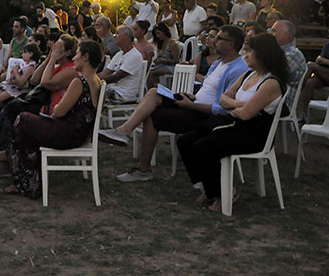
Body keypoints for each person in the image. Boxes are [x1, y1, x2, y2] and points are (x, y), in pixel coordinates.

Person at [99, 25, 248, 182]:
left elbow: (224, 110)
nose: (213, 41)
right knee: (154, 93)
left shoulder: (237, 70)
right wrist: (192, 96)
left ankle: (142, 166)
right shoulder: (219, 63)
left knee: (152, 115)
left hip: (206, 117)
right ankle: (124, 132)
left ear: (230, 44)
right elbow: (208, 91)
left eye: (219, 38)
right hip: (193, 103)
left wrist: (190, 105)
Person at [177, 33, 288, 212]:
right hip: (233, 124)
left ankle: (225, 193)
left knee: (203, 146)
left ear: (263, 54)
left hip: (253, 134)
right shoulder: (247, 75)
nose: (246, 55)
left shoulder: (271, 83)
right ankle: (210, 187)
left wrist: (239, 106)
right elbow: (223, 100)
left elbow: (245, 115)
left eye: (250, 51)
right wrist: (242, 104)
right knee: (184, 141)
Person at [3, 40, 103, 197]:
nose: (75, 58)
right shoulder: (96, 80)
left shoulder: (79, 82)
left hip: (67, 135)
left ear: (86, 57)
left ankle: (26, 180)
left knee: (22, 120)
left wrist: (56, 109)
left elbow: (59, 112)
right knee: (28, 125)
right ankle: (28, 177)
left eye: (77, 54)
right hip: (77, 134)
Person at [99, 26, 144, 105]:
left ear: (126, 35)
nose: (115, 36)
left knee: (92, 92)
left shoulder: (135, 55)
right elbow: (105, 72)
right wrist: (90, 78)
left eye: (117, 33)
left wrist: (95, 81)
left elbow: (115, 77)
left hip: (125, 94)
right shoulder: (119, 54)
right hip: (114, 89)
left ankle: (94, 115)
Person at [269, 20, 307, 113]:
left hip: (282, 102)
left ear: (286, 35)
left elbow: (273, 76)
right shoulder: (276, 52)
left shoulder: (292, 54)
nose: (270, 34)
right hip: (270, 97)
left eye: (274, 31)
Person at [146, 22, 180, 87]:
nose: (157, 36)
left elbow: (176, 60)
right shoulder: (160, 43)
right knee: (146, 71)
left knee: (151, 73)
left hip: (170, 66)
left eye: (159, 33)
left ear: (164, 32)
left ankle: (152, 89)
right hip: (160, 65)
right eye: (156, 34)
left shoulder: (172, 44)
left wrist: (163, 61)